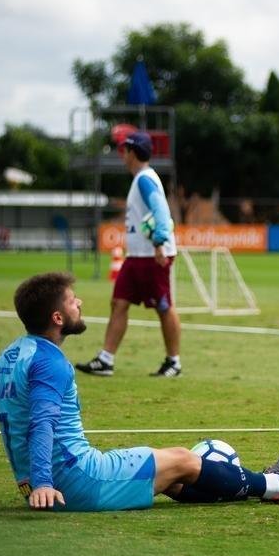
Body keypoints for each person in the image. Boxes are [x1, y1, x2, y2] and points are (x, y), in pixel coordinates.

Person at [0, 272, 279, 511]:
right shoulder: (50, 363)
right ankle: (276, 485)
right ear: (57, 318)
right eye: (73, 301)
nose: (80, 304)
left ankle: (257, 482)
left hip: (41, 486)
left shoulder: (8, 358)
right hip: (77, 482)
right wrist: (45, 482)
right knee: (183, 459)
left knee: (173, 476)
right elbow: (42, 423)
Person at [77, 130, 183, 378]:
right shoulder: (141, 179)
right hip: (136, 255)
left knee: (164, 307)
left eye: (124, 150)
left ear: (132, 152)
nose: (121, 154)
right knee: (119, 303)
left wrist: (159, 242)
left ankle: (173, 362)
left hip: (152, 255)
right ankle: (106, 360)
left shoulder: (145, 179)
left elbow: (160, 211)